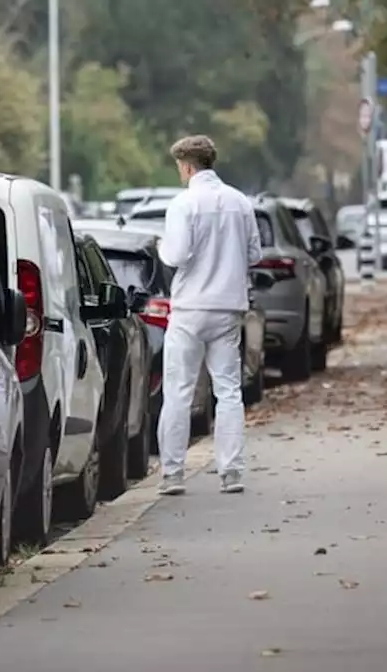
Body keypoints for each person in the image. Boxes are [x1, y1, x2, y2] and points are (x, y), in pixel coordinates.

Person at [155, 135, 262, 496]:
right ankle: (231, 471)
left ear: (186, 166)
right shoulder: (240, 202)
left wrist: (161, 247)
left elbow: (176, 255)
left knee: (179, 390)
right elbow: (255, 254)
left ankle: (172, 473)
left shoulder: (183, 204)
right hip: (228, 307)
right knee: (229, 390)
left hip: (189, 309)